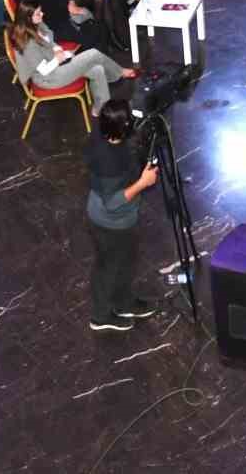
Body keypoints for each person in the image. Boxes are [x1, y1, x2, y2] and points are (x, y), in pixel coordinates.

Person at [85, 98, 161, 331]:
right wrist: (143, 182)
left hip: (121, 220)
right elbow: (113, 202)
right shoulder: (108, 160)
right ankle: (100, 316)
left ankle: (123, 302)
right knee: (108, 267)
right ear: (123, 127)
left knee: (125, 262)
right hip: (110, 223)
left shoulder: (105, 134)